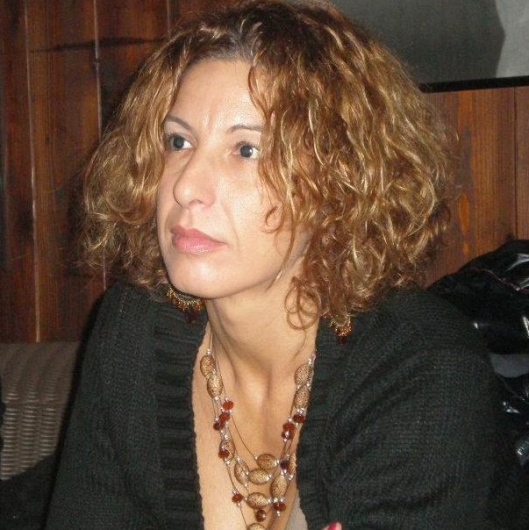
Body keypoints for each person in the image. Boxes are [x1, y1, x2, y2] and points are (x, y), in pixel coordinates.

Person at [45, 1, 520, 529]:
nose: (185, 186)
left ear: (340, 182)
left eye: (246, 150)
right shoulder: (133, 327)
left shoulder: (421, 369)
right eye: (178, 142)